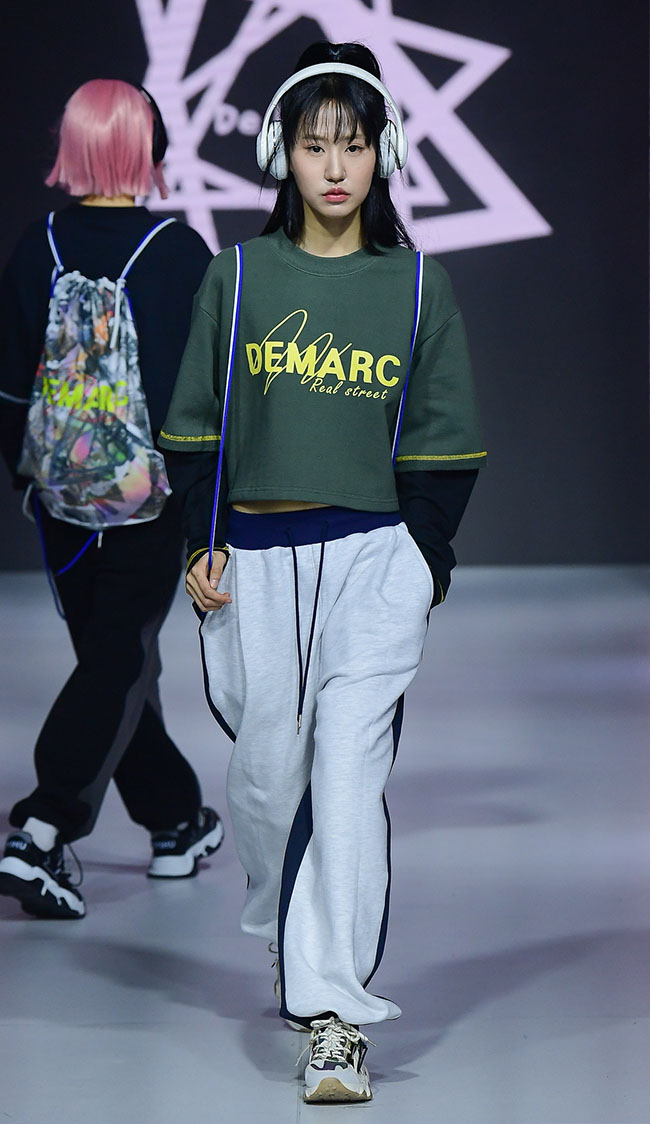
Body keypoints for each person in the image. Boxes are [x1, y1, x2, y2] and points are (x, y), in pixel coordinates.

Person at [160, 41, 485, 1103]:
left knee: (344, 782)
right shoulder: (238, 276)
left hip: (371, 562)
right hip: (254, 565)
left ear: (385, 151)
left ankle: (332, 1016)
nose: (334, 168)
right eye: (312, 145)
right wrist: (198, 543)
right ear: (280, 154)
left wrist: (421, 562)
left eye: (352, 145)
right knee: (265, 788)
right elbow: (196, 428)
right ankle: (295, 928)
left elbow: (444, 440)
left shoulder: (418, 285)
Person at [0, 79, 224, 921]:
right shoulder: (179, 251)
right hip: (147, 500)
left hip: (58, 497)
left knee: (113, 661)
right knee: (117, 660)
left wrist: (31, 475)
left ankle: (175, 821)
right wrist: (206, 507)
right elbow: (198, 403)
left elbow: (8, 387)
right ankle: (42, 830)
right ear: (148, 146)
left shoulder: (38, 245)